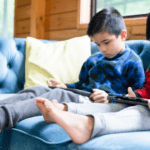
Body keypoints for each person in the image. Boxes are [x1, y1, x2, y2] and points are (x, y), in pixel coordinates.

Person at [0, 7, 144, 132]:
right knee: (39, 90)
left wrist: (110, 98)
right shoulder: (93, 59)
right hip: (81, 94)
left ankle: (4, 117)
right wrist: (65, 86)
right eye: (98, 44)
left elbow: (136, 99)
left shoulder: (133, 63)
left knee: (57, 95)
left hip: (96, 104)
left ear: (123, 35)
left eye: (106, 42)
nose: (103, 49)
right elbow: (81, 84)